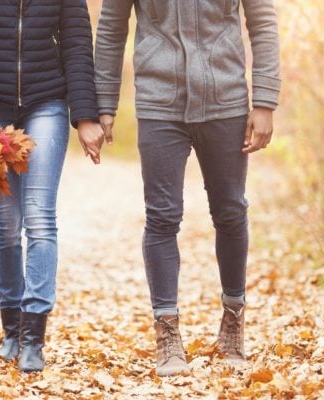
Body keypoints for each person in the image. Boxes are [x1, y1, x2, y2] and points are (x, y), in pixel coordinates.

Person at [95, 0, 281, 376]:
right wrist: (104, 103)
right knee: (162, 217)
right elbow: (112, 29)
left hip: (226, 100)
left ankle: (233, 323)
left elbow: (262, 22)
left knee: (230, 212)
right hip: (159, 105)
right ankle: (167, 333)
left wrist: (264, 100)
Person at [0, 0, 104, 373]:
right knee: (4, 225)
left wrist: (84, 115)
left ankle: (34, 336)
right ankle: (11, 331)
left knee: (39, 215)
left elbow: (77, 43)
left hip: (47, 103)